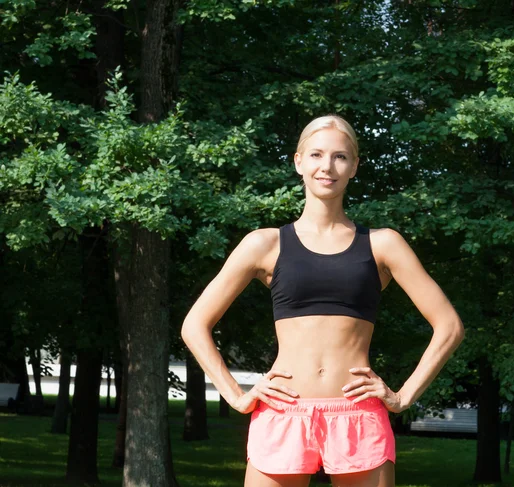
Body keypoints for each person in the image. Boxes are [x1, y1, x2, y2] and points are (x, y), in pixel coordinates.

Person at [181, 114, 465, 487]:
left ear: (354, 167)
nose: (326, 166)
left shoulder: (383, 244)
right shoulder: (264, 244)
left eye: (340, 157)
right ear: (298, 162)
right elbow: (194, 325)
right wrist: (236, 394)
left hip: (358, 415)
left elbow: (450, 326)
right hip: (283, 412)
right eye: (316, 155)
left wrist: (402, 396)